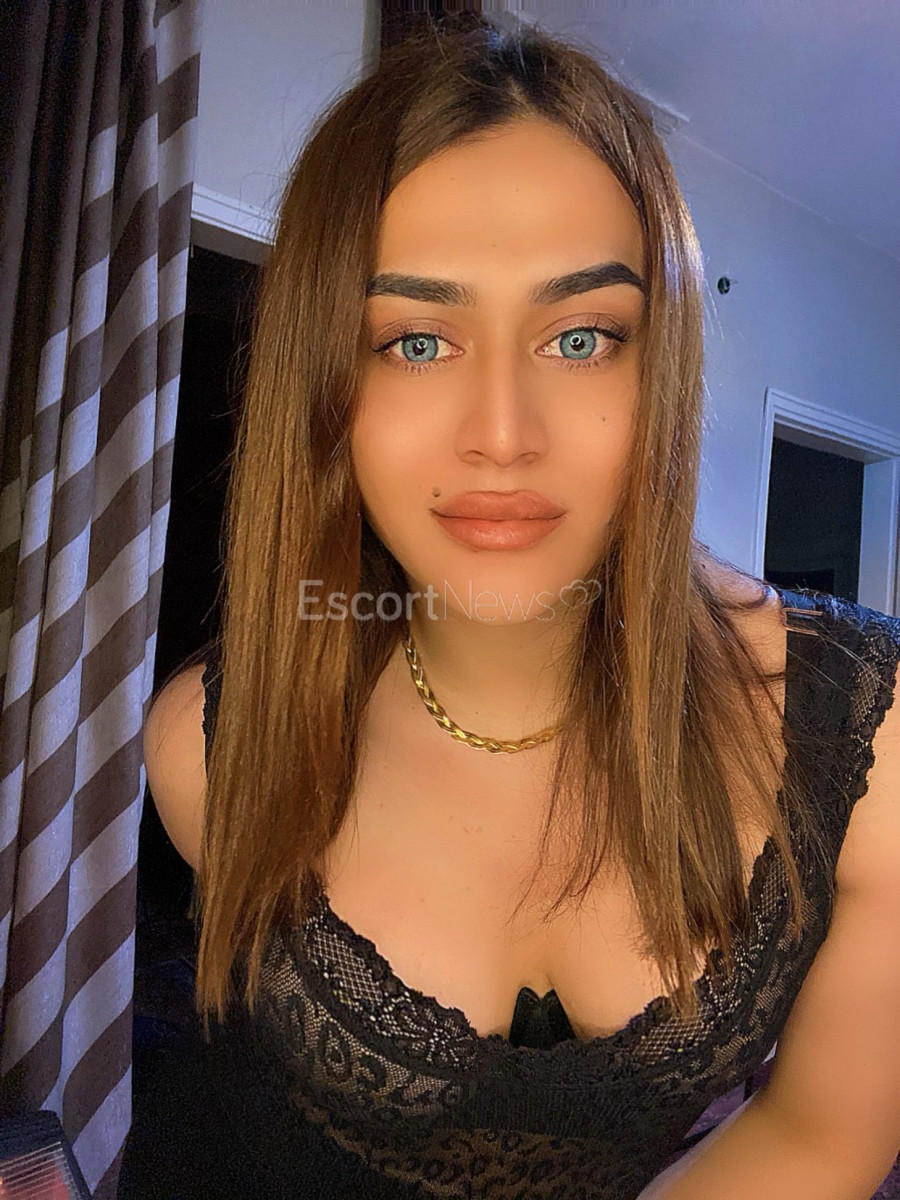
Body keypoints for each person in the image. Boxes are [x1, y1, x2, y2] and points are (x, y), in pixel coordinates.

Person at [119, 16, 900, 1200]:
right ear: (327, 386)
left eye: (581, 337)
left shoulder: (867, 743)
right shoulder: (206, 745)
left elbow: (824, 1133)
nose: (502, 434)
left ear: (662, 367)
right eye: (416, 342)